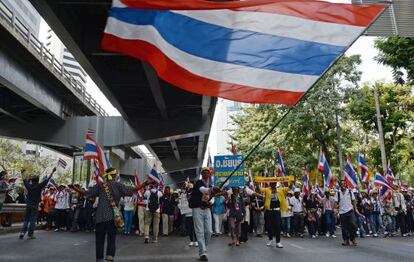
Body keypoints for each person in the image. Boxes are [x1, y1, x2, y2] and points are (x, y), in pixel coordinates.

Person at [70, 168, 146, 262]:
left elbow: (87, 193)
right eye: (115, 175)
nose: (116, 176)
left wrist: (74, 188)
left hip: (100, 217)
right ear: (113, 175)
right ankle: (110, 258)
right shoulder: (119, 185)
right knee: (111, 239)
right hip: (113, 218)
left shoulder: (100, 185)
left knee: (99, 239)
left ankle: (99, 258)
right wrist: (144, 184)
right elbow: (133, 190)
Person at [20, 167, 56, 239]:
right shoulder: (39, 186)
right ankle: (30, 235)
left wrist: (23, 173)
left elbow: (24, 180)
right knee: (32, 220)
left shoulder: (29, 186)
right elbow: (48, 179)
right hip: (35, 205)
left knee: (26, 219)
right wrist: (52, 171)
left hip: (28, 205)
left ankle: (22, 232)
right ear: (37, 180)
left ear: (32, 181)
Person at [189, 167, 216, 261]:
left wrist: (211, 202)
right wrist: (212, 190)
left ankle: (203, 248)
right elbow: (203, 190)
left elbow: (212, 197)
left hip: (207, 209)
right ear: (201, 174)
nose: (205, 174)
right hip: (197, 208)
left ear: (209, 174)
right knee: (199, 231)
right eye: (203, 173)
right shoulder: (199, 183)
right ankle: (203, 253)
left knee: (209, 231)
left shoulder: (211, 185)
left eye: (207, 173)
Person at [335, 180, 358, 246]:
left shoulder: (350, 192)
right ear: (340, 186)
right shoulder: (338, 193)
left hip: (350, 211)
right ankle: (346, 240)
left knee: (353, 224)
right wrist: (335, 209)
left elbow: (353, 201)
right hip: (342, 212)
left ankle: (353, 238)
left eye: (344, 184)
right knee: (344, 227)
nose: (343, 185)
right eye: (342, 184)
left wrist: (355, 209)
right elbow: (336, 202)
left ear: (346, 185)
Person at [178, 182, 197, 247]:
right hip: (187, 214)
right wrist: (181, 207)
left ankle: (196, 241)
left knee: (195, 228)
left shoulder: (195, 194)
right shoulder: (183, 195)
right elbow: (180, 203)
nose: (189, 190)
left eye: (191, 188)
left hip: (195, 213)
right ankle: (191, 240)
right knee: (189, 228)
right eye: (188, 188)